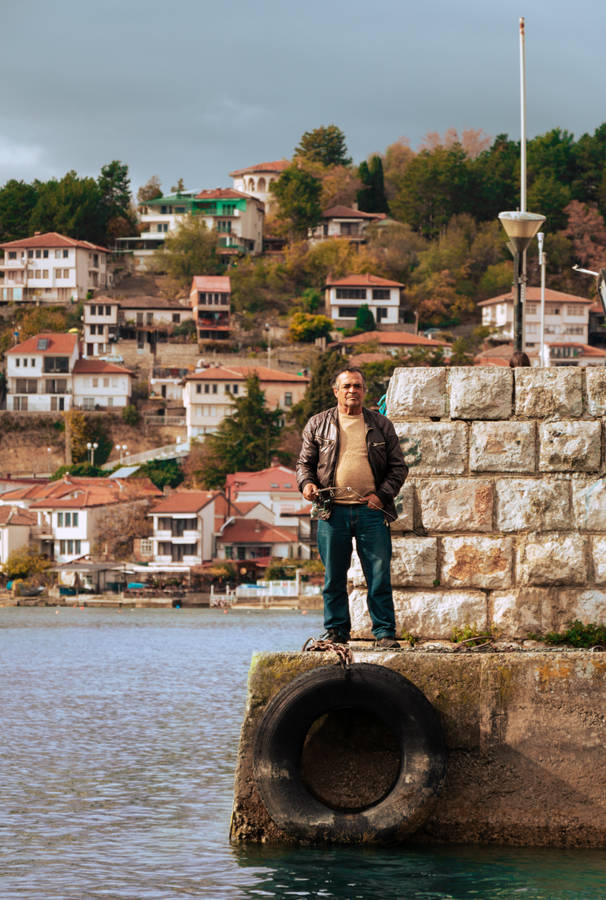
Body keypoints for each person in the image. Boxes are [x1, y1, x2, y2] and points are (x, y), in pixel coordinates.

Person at [296, 366, 407, 649]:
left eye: (357, 386)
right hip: (332, 512)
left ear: (364, 390)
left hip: (372, 511)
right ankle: (336, 632)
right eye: (346, 386)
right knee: (334, 577)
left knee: (379, 575)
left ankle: (384, 633)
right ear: (336, 391)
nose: (352, 391)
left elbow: (398, 467)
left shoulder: (381, 425)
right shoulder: (317, 424)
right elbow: (304, 466)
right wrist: (307, 485)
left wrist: (382, 496)